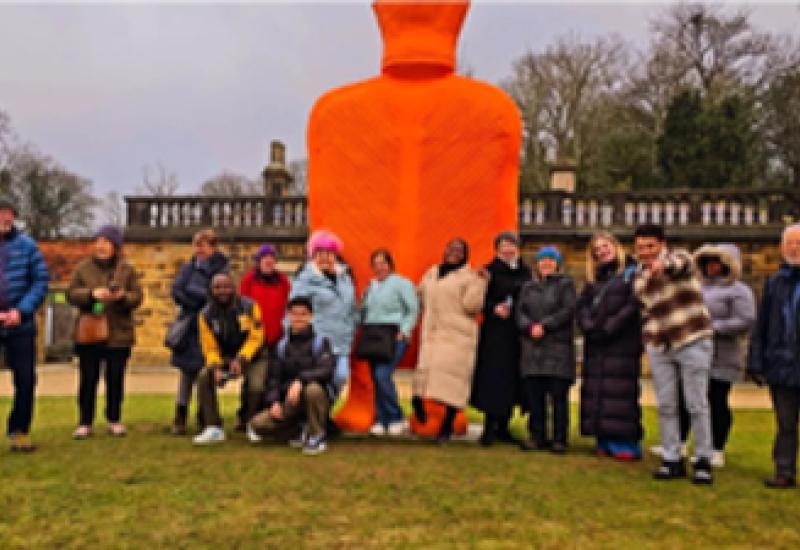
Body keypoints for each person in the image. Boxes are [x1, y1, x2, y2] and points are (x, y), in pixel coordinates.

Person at [633, 224, 714, 484]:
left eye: (650, 246)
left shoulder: (681, 258)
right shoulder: (638, 274)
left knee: (696, 404)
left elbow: (681, 263)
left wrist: (662, 267)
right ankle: (672, 458)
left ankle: (703, 459)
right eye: (640, 247)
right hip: (660, 345)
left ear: (662, 244)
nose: (645, 252)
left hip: (691, 338)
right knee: (666, 404)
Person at [675, 244, 755, 468]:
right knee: (686, 400)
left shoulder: (739, 291)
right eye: (708, 262)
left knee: (716, 401)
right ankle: (681, 442)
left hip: (722, 356)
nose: (712, 266)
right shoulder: (696, 286)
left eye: (717, 262)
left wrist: (712, 327)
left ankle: (716, 448)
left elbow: (745, 320)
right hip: (693, 353)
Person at [67, 225, 143, 439]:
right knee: (88, 379)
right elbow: (71, 294)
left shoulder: (127, 270)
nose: (101, 245)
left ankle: (114, 419)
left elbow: (137, 297)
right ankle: (85, 422)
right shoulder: (82, 268)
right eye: (98, 240)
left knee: (115, 379)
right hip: (89, 332)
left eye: (106, 242)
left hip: (118, 333)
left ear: (115, 246)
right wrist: (91, 294)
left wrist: (122, 297)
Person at [413, 238, 489, 444]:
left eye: (459, 249)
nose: (454, 252)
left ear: (465, 255)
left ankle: (446, 428)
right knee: (424, 378)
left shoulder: (470, 277)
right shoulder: (432, 272)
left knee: (452, 384)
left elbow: (472, 306)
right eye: (451, 248)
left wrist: (481, 283)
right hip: (432, 334)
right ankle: (417, 405)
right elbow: (419, 296)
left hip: (457, 336)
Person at [576, 232, 643, 460]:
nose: (601, 251)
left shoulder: (631, 273)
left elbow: (633, 304)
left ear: (616, 247)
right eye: (597, 249)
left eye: (605, 246)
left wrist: (610, 327)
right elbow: (582, 306)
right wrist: (588, 326)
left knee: (620, 391)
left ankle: (624, 442)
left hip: (621, 341)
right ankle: (603, 438)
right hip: (596, 343)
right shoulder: (594, 279)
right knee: (598, 390)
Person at [748, 224, 800, 488]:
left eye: (798, 243)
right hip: (781, 362)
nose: (794, 248)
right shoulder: (775, 283)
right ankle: (784, 470)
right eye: (789, 243)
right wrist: (756, 361)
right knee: (785, 423)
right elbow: (762, 325)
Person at [250, 296, 335, 455]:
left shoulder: (322, 343)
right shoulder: (281, 346)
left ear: (311, 316)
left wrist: (300, 380)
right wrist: (274, 401)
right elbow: (273, 378)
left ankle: (317, 436)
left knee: (313, 389)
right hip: (290, 401)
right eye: (294, 314)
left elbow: (326, 370)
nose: (299, 318)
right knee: (258, 425)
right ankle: (299, 430)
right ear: (288, 316)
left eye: (303, 314)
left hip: (315, 398)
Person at [470, 231, 531, 446]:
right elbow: (478, 300)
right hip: (495, 334)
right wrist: (493, 309)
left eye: (511, 245)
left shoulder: (527, 272)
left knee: (513, 381)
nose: (508, 249)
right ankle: (489, 427)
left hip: (518, 333)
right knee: (493, 380)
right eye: (503, 245)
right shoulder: (488, 271)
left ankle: (504, 426)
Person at [193, 273, 267, 445]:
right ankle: (213, 427)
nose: (222, 291)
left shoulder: (250, 307)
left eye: (226, 286)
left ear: (233, 288)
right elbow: (209, 347)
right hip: (225, 356)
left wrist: (241, 360)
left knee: (256, 386)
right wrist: (216, 368)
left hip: (254, 356)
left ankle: (253, 424)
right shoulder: (205, 315)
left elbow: (255, 338)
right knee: (204, 376)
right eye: (217, 287)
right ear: (211, 290)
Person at [0, 197, 49, 452]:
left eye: (8, 214)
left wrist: (21, 311)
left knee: (26, 380)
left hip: (21, 325)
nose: (4, 219)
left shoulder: (27, 247)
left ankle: (19, 430)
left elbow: (40, 282)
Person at [517, 245, 576, 454]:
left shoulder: (566, 284)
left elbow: (568, 310)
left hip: (557, 348)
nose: (547, 263)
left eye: (551, 260)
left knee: (559, 397)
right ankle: (537, 435)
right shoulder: (528, 287)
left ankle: (560, 438)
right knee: (535, 397)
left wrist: (545, 325)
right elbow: (520, 312)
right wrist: (529, 326)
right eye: (543, 260)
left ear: (557, 264)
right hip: (532, 349)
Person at [169, 229, 229, 435]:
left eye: (203, 245)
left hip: (210, 326)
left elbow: (218, 295)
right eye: (196, 245)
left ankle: (206, 414)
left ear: (213, 247)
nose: (199, 250)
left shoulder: (221, 268)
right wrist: (194, 298)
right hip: (189, 326)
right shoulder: (188, 268)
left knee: (207, 371)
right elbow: (176, 290)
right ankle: (180, 414)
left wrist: (194, 294)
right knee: (186, 373)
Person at [290, 230, 357, 394]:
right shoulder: (305, 279)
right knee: (320, 379)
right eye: (320, 253)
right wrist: (293, 334)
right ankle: (320, 412)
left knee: (341, 377)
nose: (325, 257)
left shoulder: (345, 277)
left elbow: (351, 308)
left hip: (342, 341)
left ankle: (325, 408)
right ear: (313, 255)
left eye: (329, 253)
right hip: (319, 342)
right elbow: (293, 309)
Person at [361, 248, 419, 436]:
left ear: (390, 264)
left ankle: (396, 416)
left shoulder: (402, 283)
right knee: (376, 379)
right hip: (373, 336)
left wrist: (404, 330)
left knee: (382, 375)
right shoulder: (370, 286)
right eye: (376, 264)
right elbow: (364, 311)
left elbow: (412, 309)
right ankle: (381, 418)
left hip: (394, 335)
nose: (380, 267)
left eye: (383, 263)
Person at [237, 242, 291, 429]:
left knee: (271, 378)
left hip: (277, 336)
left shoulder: (283, 280)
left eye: (272, 258)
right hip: (254, 337)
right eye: (265, 258)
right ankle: (245, 415)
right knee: (252, 380)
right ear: (259, 261)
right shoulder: (249, 280)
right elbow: (241, 306)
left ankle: (263, 415)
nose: (268, 261)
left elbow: (288, 305)